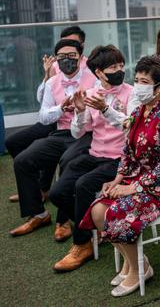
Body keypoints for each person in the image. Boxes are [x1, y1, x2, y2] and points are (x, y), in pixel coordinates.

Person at [80, 55, 160, 297]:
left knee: (118, 210)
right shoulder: (141, 109)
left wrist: (135, 188)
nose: (137, 86)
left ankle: (140, 267)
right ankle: (133, 262)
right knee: (99, 208)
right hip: (139, 177)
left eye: (143, 81)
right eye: (137, 80)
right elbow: (128, 149)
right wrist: (119, 179)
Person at [49, 45, 136, 272]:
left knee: (83, 185)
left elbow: (132, 127)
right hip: (95, 154)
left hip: (120, 160)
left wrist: (106, 109)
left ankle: (82, 244)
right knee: (58, 193)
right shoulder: (90, 95)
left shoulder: (131, 93)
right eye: (113, 67)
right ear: (98, 72)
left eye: (120, 65)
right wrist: (79, 112)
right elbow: (78, 133)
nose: (119, 70)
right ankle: (92, 228)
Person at [10, 39, 97, 238]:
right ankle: (38, 214)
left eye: (72, 56)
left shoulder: (94, 78)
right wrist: (61, 108)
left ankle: (64, 220)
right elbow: (43, 116)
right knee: (23, 160)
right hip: (60, 133)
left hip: (86, 134)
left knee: (69, 161)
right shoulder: (51, 82)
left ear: (81, 57)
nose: (67, 60)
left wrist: (82, 109)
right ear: (56, 60)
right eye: (62, 57)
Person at [6, 25, 90, 203]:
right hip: (56, 122)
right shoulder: (55, 68)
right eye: (63, 48)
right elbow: (42, 103)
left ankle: (49, 195)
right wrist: (47, 75)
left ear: (81, 48)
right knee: (17, 147)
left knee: (66, 157)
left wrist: (80, 108)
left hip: (81, 128)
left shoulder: (90, 70)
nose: (67, 56)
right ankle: (34, 195)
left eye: (73, 45)